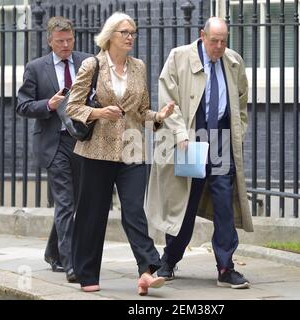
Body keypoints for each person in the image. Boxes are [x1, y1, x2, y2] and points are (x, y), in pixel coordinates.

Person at [66, 12, 174, 294]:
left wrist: (159, 116)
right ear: (110, 35)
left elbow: (140, 112)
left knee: (135, 209)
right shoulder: (93, 65)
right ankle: (86, 273)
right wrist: (99, 112)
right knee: (92, 213)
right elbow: (72, 107)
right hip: (96, 151)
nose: (130, 37)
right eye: (125, 32)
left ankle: (147, 270)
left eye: (132, 32)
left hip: (131, 149)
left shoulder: (138, 66)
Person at [146, 17, 254, 289]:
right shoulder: (179, 57)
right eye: (214, 41)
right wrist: (180, 132)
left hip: (221, 141)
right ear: (202, 35)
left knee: (224, 205)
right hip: (190, 141)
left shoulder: (233, 61)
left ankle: (226, 267)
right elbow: (167, 98)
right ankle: (169, 261)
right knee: (186, 204)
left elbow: (241, 100)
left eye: (223, 41)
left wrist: (238, 130)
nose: (219, 47)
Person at [17, 16, 92, 283]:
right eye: (60, 41)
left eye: (69, 40)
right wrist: (48, 104)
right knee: (65, 202)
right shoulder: (36, 68)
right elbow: (23, 106)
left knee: (78, 203)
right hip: (54, 142)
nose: (65, 45)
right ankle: (71, 263)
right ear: (50, 41)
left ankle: (53, 252)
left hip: (82, 140)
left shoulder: (87, 62)